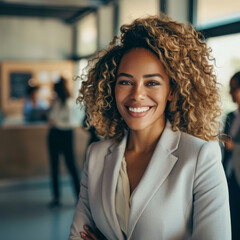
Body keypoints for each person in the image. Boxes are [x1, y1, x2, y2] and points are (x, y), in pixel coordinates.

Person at [69, 15, 231, 240]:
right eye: (125, 82)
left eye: (152, 83)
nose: (137, 95)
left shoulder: (200, 157)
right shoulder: (96, 155)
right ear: (111, 88)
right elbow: (78, 235)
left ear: (172, 91)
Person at [48, 77, 80, 207]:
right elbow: (51, 117)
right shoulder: (56, 102)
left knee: (71, 165)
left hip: (65, 134)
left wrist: (57, 123)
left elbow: (71, 123)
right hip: (54, 135)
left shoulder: (69, 102)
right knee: (54, 166)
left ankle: (79, 197)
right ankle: (56, 197)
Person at [222, 72, 240, 240]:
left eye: (234, 89)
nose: (231, 93)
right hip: (229, 176)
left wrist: (235, 147)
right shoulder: (230, 116)